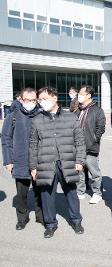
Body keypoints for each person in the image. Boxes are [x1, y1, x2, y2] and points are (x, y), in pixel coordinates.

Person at [29, 86, 86, 238]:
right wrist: (33, 167)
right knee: (46, 195)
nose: (42, 102)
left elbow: (80, 141)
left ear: (55, 97)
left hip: (66, 161)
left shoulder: (71, 117)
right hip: (46, 162)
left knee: (71, 193)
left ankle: (76, 220)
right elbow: (33, 145)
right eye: (40, 100)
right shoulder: (37, 120)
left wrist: (80, 161)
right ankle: (50, 224)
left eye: (45, 99)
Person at [1, 87, 43, 230]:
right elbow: (6, 139)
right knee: (21, 194)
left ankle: (40, 216)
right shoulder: (12, 116)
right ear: (21, 99)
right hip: (20, 162)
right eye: (27, 100)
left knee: (40, 192)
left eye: (33, 100)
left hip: (39, 162)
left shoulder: (42, 115)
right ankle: (22, 218)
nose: (30, 103)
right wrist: (8, 160)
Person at [75, 85, 106, 204]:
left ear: (88, 95)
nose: (79, 95)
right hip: (77, 147)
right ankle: (80, 191)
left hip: (90, 146)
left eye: (81, 93)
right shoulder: (78, 109)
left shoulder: (97, 110)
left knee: (94, 172)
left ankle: (97, 193)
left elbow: (100, 128)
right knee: (80, 171)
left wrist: (93, 139)